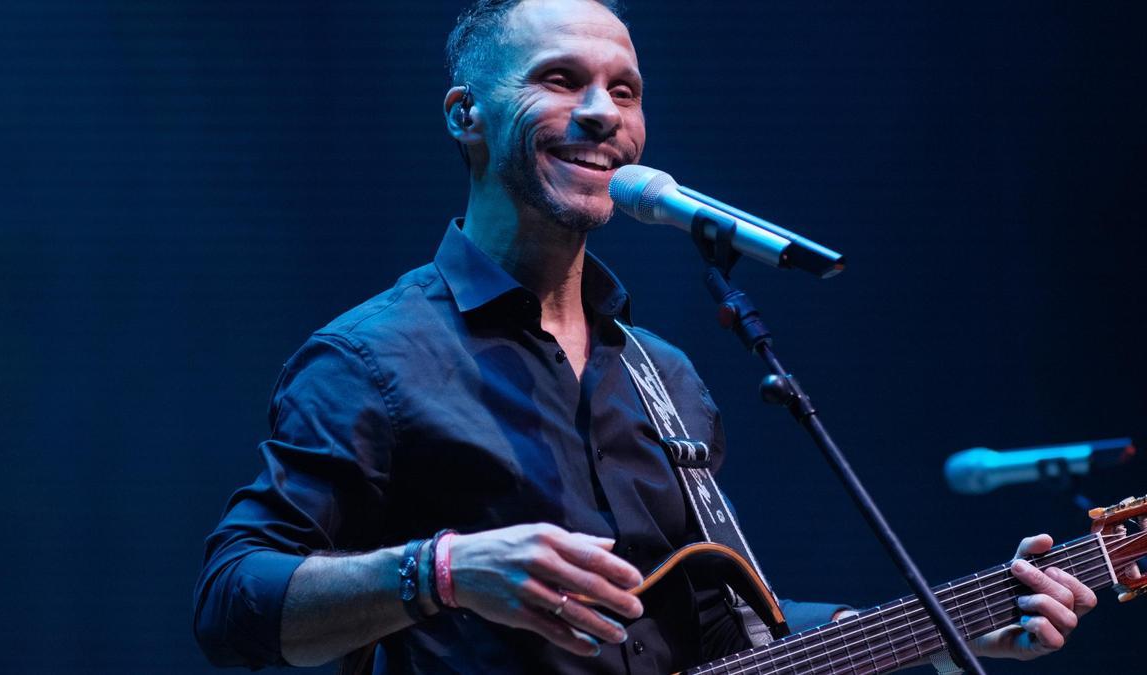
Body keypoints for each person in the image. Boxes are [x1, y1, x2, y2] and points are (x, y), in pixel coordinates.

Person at [193, 1, 1097, 672]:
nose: (602, 113)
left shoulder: (665, 376)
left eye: (624, 90)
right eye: (560, 80)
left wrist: (943, 633)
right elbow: (231, 600)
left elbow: (726, 635)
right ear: (464, 115)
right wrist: (443, 569)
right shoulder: (370, 359)